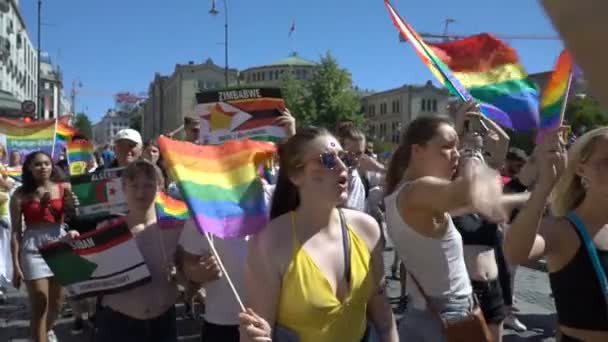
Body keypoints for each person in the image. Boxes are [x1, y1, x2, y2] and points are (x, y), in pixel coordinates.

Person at [239, 127, 399, 342]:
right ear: (296, 175)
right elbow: (260, 329)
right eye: (327, 160)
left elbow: (383, 316)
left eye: (344, 158)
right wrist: (252, 335)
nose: (343, 167)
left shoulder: (367, 229)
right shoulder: (269, 242)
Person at [383, 109, 509, 341]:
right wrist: (474, 150)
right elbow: (470, 192)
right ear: (417, 151)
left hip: (430, 311)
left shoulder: (403, 192)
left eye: (457, 148)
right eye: (448, 147)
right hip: (448, 315)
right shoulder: (417, 191)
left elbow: (480, 199)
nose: (456, 155)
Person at [179, 110, 296, 342]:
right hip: (223, 322)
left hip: (277, 320)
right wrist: (196, 272)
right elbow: (187, 261)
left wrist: (291, 138)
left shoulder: (276, 198)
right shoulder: (205, 204)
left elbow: (301, 175)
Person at [505, 127, 608, 342]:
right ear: (581, 169)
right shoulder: (563, 230)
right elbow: (515, 252)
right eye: (606, 162)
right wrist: (543, 188)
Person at [93, 160, 183, 342]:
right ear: (123, 188)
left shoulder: (176, 228)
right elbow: (89, 278)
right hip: (118, 323)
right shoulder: (107, 229)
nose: (141, 193)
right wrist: (70, 244)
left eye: (149, 185)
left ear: (160, 188)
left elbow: (190, 278)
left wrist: (180, 274)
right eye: (134, 186)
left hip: (162, 321)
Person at [9, 151, 77, 342]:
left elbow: (76, 216)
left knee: (57, 304)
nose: (43, 167)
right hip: (33, 248)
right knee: (40, 301)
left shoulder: (65, 187)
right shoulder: (20, 194)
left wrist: (73, 207)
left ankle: (42, 332)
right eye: (38, 164)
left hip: (59, 243)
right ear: (29, 168)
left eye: (47, 163)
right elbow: (16, 232)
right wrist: (15, 265)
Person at [0, 144, 15, 303]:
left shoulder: (3, 168)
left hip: (3, 212)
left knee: (3, 250)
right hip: (2, 213)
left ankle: (1, 285)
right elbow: (7, 185)